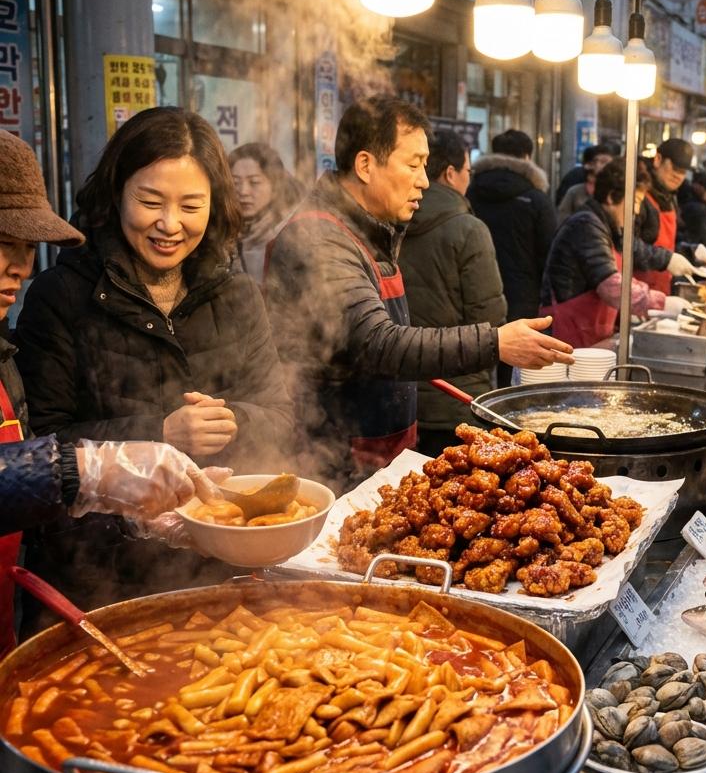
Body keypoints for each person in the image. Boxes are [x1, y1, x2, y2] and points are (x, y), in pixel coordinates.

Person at [14, 108, 291, 617]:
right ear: (117, 192)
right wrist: (159, 432)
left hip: (219, 566)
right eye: (150, 201)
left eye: (191, 205)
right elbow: (39, 449)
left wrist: (235, 422)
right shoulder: (60, 296)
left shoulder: (236, 294)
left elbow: (279, 413)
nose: (170, 224)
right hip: (95, 582)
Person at [265, 97, 572, 491]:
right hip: (329, 465)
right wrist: (495, 342)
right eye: (413, 165)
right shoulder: (319, 239)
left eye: (425, 165)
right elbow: (378, 343)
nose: (425, 180)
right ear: (364, 165)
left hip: (379, 456)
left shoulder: (371, 231)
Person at [0, 129, 226, 651]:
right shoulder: (61, 300)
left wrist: (136, 507)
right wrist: (87, 470)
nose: (19, 267)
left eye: (25, 248)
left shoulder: (2, 353)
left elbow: (20, 479)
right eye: (1, 245)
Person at [399, 129, 506, 455]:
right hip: (457, 400)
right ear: (450, 173)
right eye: (467, 172)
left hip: (400, 400)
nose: (468, 180)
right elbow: (490, 320)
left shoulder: (390, 222)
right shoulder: (469, 229)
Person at [540, 160, 691, 348]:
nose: (636, 211)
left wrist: (668, 259)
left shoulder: (609, 226)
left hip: (589, 335)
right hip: (564, 335)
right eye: (634, 202)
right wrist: (662, 302)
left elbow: (636, 249)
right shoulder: (585, 225)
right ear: (611, 197)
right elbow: (611, 287)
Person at [466, 128, 558, 329]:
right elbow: (549, 255)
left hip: (474, 292)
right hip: (523, 297)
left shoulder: (469, 192)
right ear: (527, 157)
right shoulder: (536, 199)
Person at [229, 142, 304, 284]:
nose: (243, 191)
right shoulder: (225, 233)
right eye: (235, 183)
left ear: (275, 186)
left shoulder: (291, 232)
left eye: (254, 182)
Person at [637, 139, 698, 295]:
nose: (678, 176)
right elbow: (627, 245)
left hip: (661, 291)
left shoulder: (669, 197)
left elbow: (666, 246)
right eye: (675, 168)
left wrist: (692, 251)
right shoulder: (639, 195)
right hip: (636, 293)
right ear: (658, 160)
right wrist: (666, 259)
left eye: (683, 172)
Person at [554, 142, 614, 208]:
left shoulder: (615, 187)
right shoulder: (575, 187)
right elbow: (563, 213)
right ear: (589, 164)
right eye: (602, 162)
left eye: (605, 162)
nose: (600, 165)